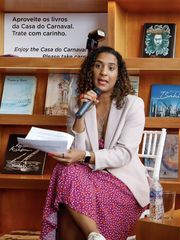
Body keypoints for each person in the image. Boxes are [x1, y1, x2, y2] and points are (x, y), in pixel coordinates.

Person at [41, 46, 149, 240]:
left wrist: (83, 156)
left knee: (67, 204)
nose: (104, 72)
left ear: (119, 74)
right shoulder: (77, 104)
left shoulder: (134, 104)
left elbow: (124, 154)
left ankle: (94, 235)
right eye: (98, 66)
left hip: (122, 182)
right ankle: (94, 235)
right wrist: (82, 112)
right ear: (90, 70)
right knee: (65, 170)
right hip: (86, 179)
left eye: (111, 67)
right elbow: (77, 150)